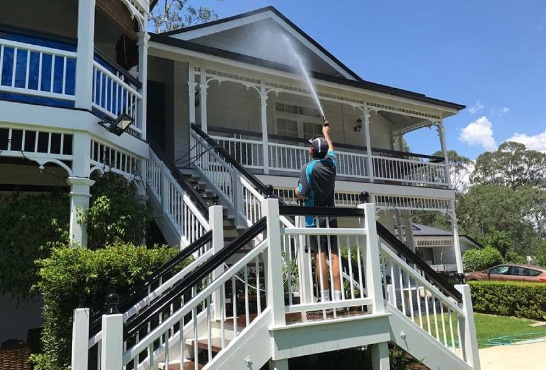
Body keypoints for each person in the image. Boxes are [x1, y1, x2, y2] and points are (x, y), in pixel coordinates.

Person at [295, 117, 341, 304]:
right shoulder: (332, 165)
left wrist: (296, 192)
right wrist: (326, 134)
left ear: (312, 151)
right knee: (334, 254)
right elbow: (331, 150)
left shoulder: (307, 168)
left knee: (320, 255)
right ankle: (338, 299)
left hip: (314, 218)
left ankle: (325, 297)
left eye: (310, 147)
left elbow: (303, 194)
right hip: (332, 216)